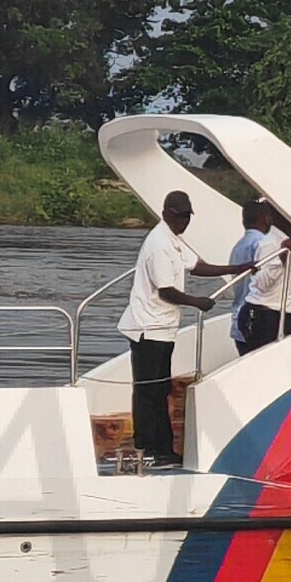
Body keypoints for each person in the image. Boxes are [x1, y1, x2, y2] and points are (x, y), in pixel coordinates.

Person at [119, 191, 218, 468]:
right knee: (147, 391)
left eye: (187, 216)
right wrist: (197, 302)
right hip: (147, 328)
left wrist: (237, 267)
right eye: (179, 216)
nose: (183, 221)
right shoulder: (158, 244)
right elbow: (166, 291)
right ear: (166, 213)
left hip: (163, 328)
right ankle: (148, 449)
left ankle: (162, 448)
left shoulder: (174, 240)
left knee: (160, 389)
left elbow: (197, 266)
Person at [194, 198, 291, 356]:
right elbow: (262, 283)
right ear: (267, 219)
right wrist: (282, 259)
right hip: (260, 316)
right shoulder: (264, 243)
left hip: (243, 314)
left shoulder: (239, 245)